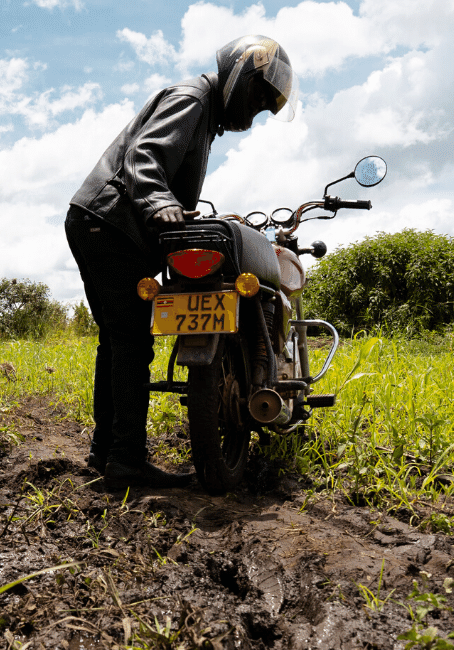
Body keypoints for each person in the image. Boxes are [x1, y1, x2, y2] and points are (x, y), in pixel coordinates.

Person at [65, 35, 297, 488]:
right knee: (130, 342)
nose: (252, 115)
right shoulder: (192, 98)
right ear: (238, 75)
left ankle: (106, 451)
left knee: (116, 342)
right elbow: (145, 153)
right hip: (113, 224)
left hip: (100, 222)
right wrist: (156, 201)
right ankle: (125, 462)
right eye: (256, 98)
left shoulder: (205, 114)